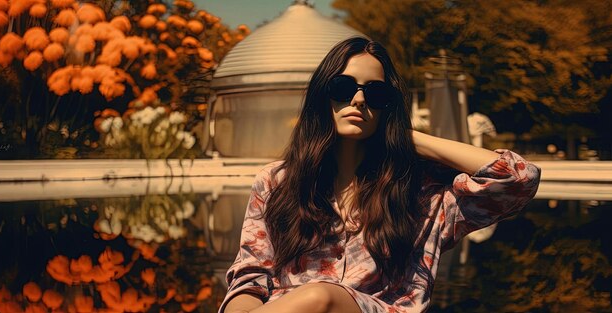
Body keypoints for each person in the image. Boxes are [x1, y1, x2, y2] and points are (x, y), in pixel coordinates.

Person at [219, 37, 541, 313]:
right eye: (343, 88)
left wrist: (404, 135)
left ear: (388, 106)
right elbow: (250, 278)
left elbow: (517, 177)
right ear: (322, 96)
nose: (358, 99)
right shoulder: (277, 182)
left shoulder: (421, 193)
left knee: (321, 295)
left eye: (376, 94)